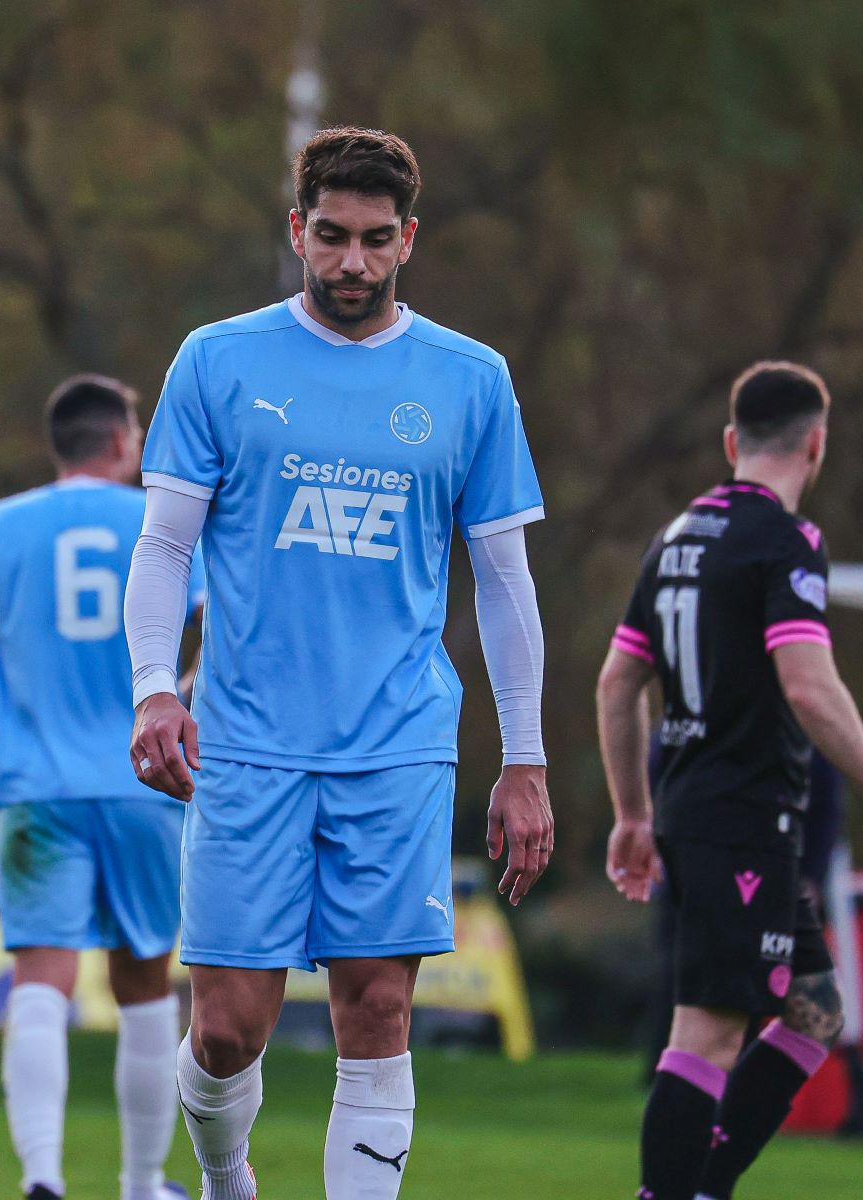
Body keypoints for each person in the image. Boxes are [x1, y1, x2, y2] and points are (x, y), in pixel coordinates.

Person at [124, 127, 554, 1200]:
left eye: (373, 239)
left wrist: (525, 756)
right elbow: (164, 547)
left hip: (398, 744)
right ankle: (226, 1178)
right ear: (296, 231)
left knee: (379, 1009)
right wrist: (155, 690)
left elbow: (504, 581)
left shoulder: (471, 379)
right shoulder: (216, 360)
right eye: (330, 236)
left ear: (408, 239)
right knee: (227, 1031)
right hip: (247, 743)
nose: (351, 262)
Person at [596, 361, 863, 1200]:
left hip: (699, 812)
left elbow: (618, 683)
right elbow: (809, 686)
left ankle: (706, 1185)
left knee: (815, 1011)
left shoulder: (675, 537)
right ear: (816, 446)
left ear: (731, 442)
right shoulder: (785, 540)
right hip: (740, 817)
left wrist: (632, 812)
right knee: (707, 1033)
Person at [0, 375, 204, 1200]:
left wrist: (28, 708)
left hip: (37, 786)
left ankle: (42, 1177)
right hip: (146, 783)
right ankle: (141, 1183)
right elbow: (216, 631)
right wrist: (179, 699)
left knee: (40, 980)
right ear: (122, 440)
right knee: (146, 985)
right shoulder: (162, 524)